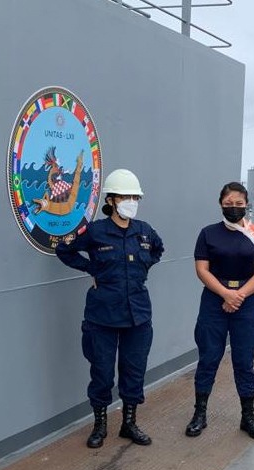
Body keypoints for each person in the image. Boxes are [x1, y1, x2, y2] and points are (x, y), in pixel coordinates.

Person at [56, 169, 164, 448]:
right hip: (102, 316)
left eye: (135, 196)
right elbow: (65, 251)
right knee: (102, 372)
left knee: (134, 370)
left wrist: (142, 268)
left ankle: (129, 423)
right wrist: (90, 268)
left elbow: (158, 250)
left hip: (138, 315)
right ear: (112, 200)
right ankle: (100, 425)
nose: (131, 201)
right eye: (126, 196)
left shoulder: (145, 230)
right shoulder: (95, 231)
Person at [185, 182, 254, 441]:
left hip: (247, 301)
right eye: (229, 203)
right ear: (221, 204)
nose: (234, 208)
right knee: (209, 357)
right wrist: (225, 294)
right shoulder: (208, 233)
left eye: (239, 203)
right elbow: (202, 269)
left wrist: (238, 295)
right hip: (214, 300)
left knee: (244, 360)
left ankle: (248, 416)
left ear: (246, 204)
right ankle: (199, 413)